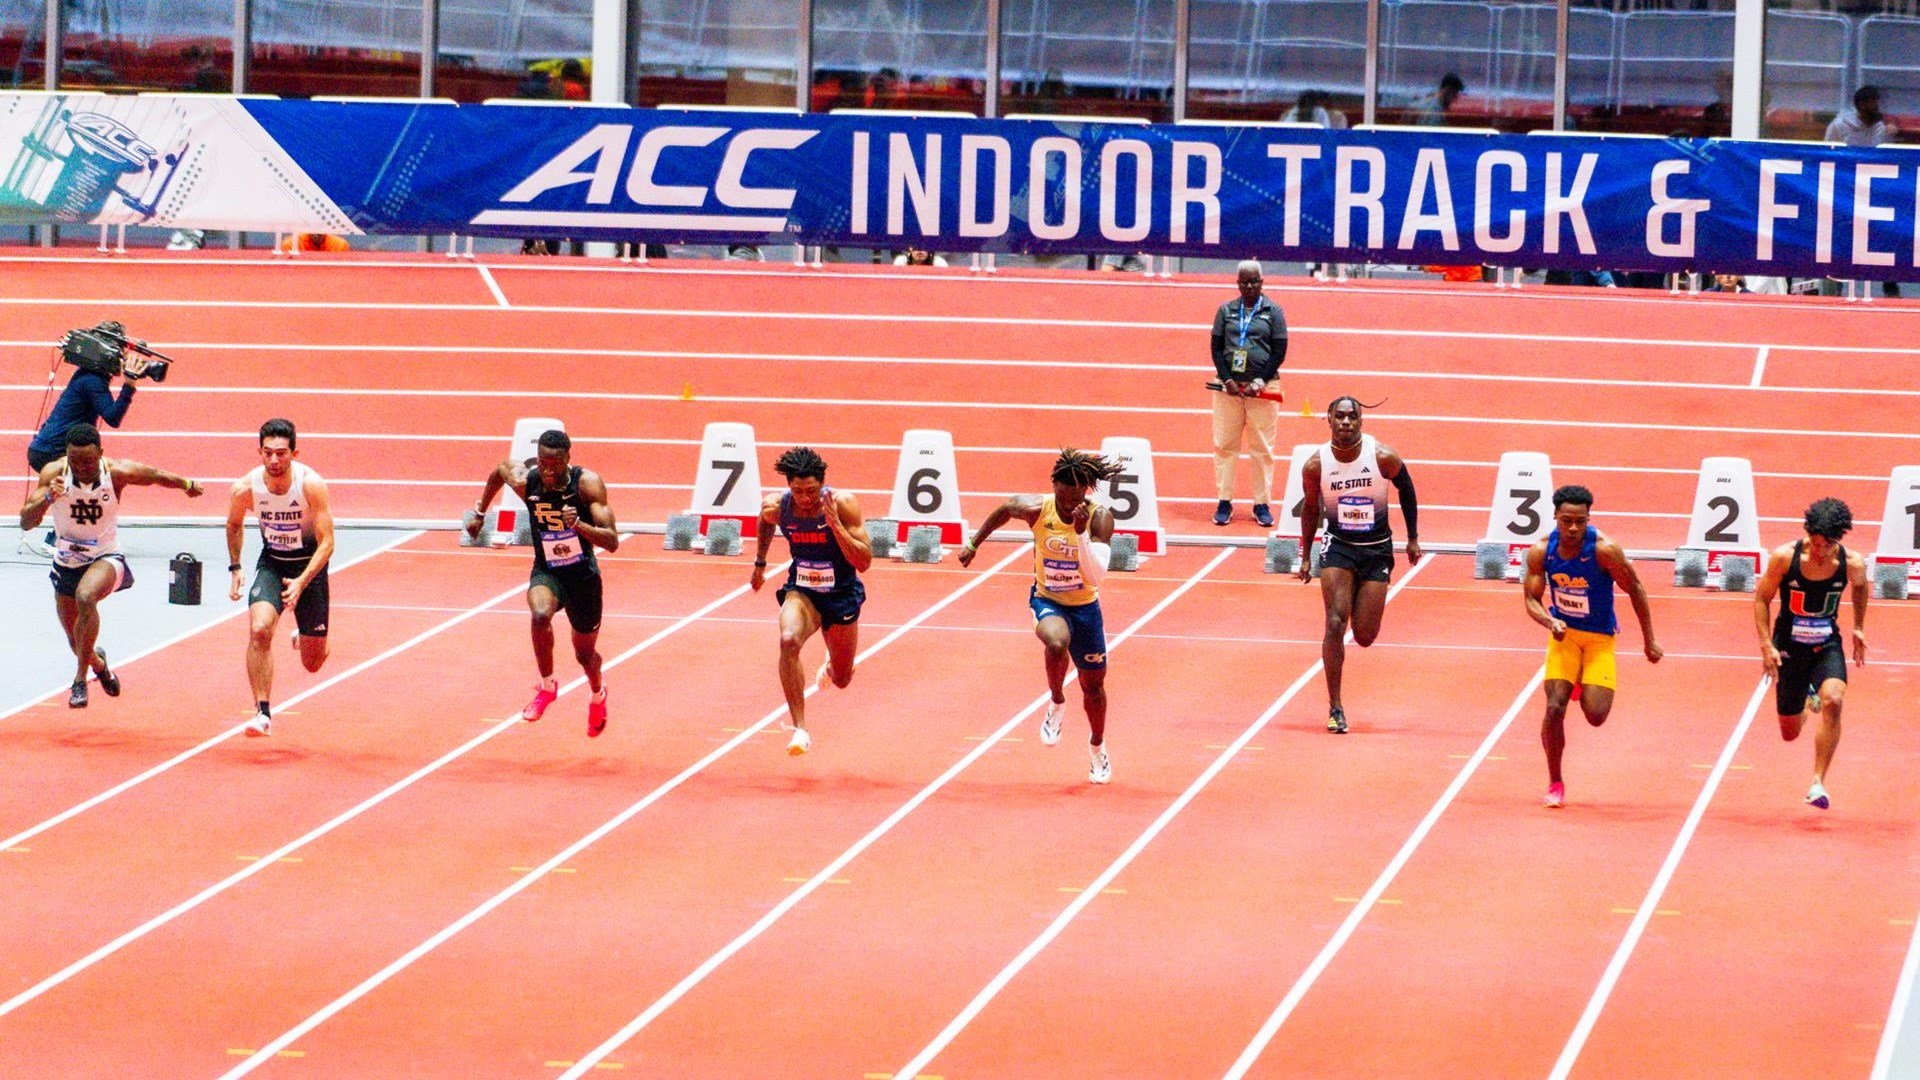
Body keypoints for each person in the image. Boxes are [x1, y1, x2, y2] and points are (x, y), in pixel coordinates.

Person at [959, 449, 1121, 783]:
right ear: (1054, 488)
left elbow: (1096, 577)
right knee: (1057, 641)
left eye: (1075, 497)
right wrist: (974, 544)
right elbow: (1004, 509)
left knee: (1094, 687)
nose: (1067, 504)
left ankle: (1097, 747)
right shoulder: (1037, 509)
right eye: (1062, 496)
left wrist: (1078, 534)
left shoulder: (1099, 517)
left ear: (1086, 492)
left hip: (1086, 607)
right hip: (1048, 600)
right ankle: (1056, 702)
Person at [19, 423, 202, 706]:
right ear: (66, 456)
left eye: (89, 461)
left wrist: (186, 484)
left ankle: (79, 681)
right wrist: (47, 499)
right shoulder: (54, 474)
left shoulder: (115, 472)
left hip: (106, 558)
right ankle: (99, 666)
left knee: (86, 596)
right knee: (76, 643)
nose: (81, 467)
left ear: (101, 454)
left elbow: (153, 475)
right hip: (67, 562)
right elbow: (26, 522)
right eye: (75, 460)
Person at [468, 429, 619, 737]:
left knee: (585, 656)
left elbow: (612, 541)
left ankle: (597, 693)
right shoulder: (529, 481)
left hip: (582, 577)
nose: (549, 470)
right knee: (539, 614)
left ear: (568, 460)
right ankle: (548, 686)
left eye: (556, 463)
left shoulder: (587, 484)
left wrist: (578, 525)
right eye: (543, 463)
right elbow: (500, 470)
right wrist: (480, 513)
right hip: (547, 570)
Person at [1522, 485, 1663, 808]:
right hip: (1565, 635)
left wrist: (1649, 640)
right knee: (1554, 706)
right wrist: (1550, 622)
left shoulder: (1604, 550)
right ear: (1555, 516)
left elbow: (1636, 588)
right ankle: (1555, 781)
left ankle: (1581, 680)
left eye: (1580, 522)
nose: (1573, 528)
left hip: (1599, 637)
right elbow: (1530, 599)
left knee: (1596, 715)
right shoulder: (1542, 551)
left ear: (1589, 519)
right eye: (1567, 520)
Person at [1296, 396, 1422, 734]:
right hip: (1338, 547)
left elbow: (1407, 490)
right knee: (1335, 622)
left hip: (1376, 550)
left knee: (1365, 635)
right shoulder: (1315, 465)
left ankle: (1355, 594)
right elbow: (1310, 509)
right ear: (1329, 419)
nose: (1346, 422)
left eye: (1353, 417)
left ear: (1361, 422)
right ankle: (1335, 706)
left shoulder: (1382, 457)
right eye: (1340, 416)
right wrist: (1306, 554)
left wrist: (1412, 537)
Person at [749, 447, 874, 756]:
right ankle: (800, 730)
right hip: (802, 589)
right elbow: (764, 521)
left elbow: (864, 561)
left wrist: (835, 525)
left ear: (823, 484)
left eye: (812, 491)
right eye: (798, 491)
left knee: (843, 679)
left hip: (841, 594)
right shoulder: (778, 506)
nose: (805, 498)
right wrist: (760, 563)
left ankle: (833, 668)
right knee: (788, 640)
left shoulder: (843, 504)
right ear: (789, 487)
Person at [1753, 498, 1869, 811]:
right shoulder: (1784, 558)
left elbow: (1860, 588)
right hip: (1789, 648)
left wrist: (1858, 626)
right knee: (1789, 732)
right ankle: (1806, 699)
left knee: (1834, 699)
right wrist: (1767, 644)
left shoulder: (1852, 563)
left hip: (1826, 644)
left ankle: (1818, 781)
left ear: (1839, 540)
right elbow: (1762, 599)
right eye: (1815, 543)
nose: (1820, 551)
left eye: (1827, 545)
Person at [226, 418, 335, 737]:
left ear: (294, 453)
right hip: (273, 563)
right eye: (268, 453)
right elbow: (233, 525)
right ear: (259, 452)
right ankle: (263, 713)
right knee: (259, 629)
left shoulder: (310, 484)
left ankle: (306, 635)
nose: (274, 460)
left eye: (281, 454)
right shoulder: (245, 489)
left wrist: (302, 582)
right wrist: (235, 567)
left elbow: (327, 542)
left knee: (312, 663)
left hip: (309, 568)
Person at [23, 321, 144, 558]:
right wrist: (129, 385)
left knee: (82, 486)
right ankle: (59, 538)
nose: (120, 355)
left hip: (48, 447)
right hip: (52, 452)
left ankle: (68, 534)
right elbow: (112, 417)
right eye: (118, 350)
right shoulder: (93, 381)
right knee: (86, 485)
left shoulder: (88, 376)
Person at [1209, 260, 1288, 527]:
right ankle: (1223, 500)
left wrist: (1260, 380)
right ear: (1237, 283)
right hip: (1228, 390)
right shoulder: (1226, 310)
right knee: (1224, 445)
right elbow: (1216, 348)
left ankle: (1262, 503)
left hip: (1263, 390)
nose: (1249, 286)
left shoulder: (1273, 311)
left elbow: (1279, 351)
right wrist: (1228, 379)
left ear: (1262, 282)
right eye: (1244, 281)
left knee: (1262, 448)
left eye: (1254, 281)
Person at [1826, 86, 1898, 148]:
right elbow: (1827, 149)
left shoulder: (1882, 128)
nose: (1878, 108)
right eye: (1874, 104)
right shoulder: (1839, 125)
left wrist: (1890, 136)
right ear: (1861, 105)